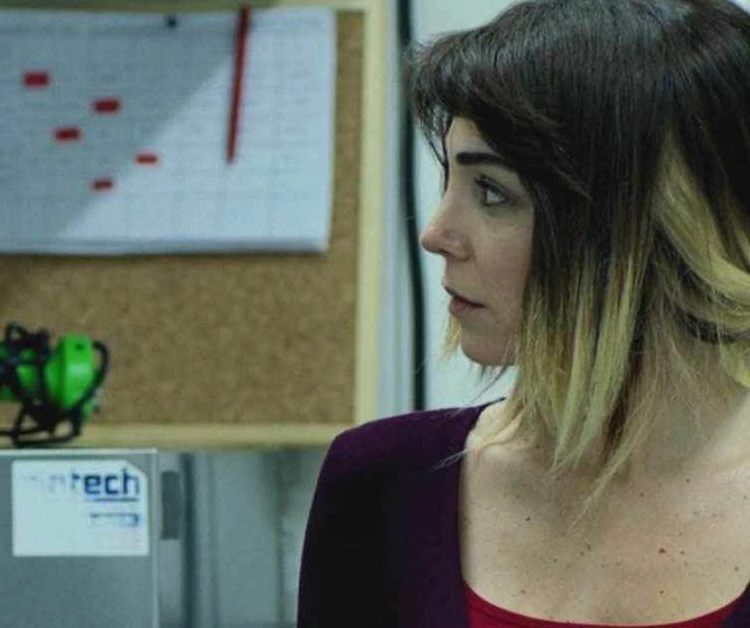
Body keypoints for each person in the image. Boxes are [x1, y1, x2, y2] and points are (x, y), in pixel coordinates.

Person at [298, 0, 750, 625]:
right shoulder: (380, 483)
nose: (436, 233)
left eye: (491, 191)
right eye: (449, 180)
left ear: (655, 232)